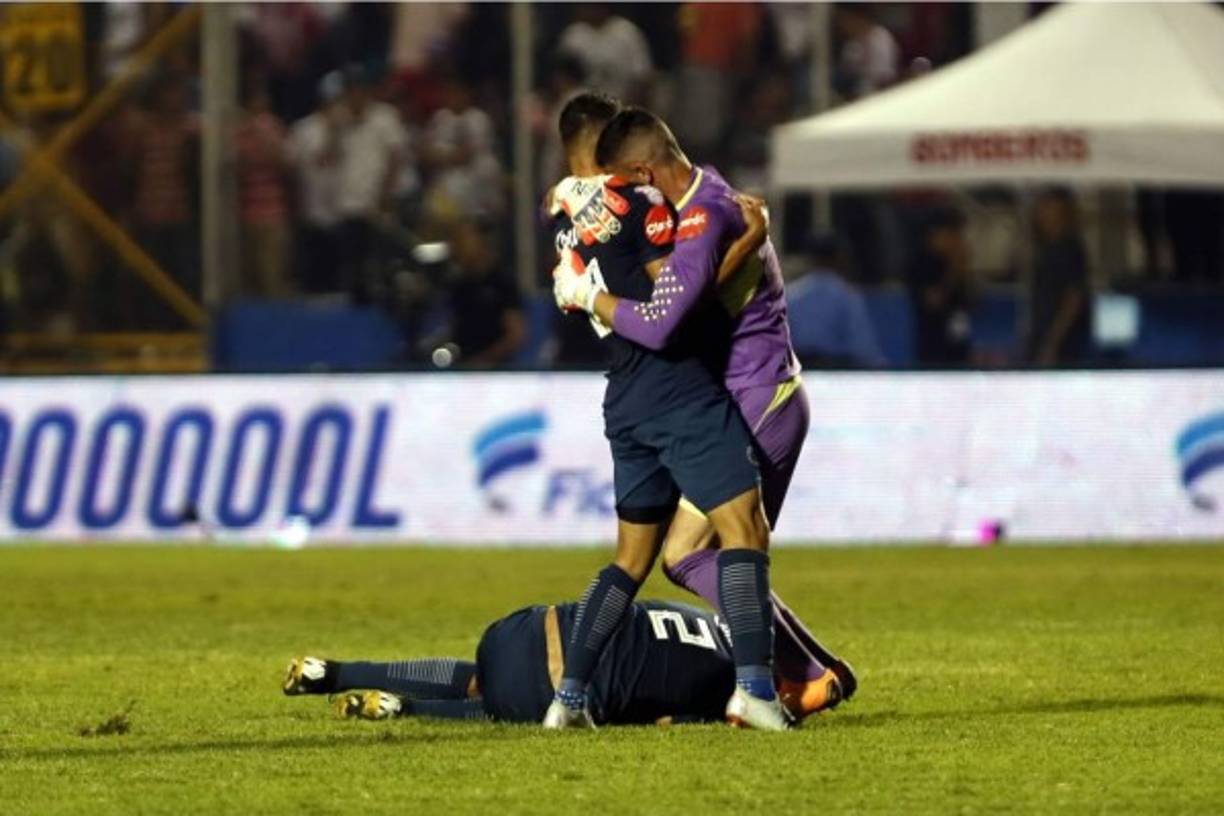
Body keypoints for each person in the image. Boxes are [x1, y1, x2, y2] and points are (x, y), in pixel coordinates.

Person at [556, 110, 843, 711]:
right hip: (742, 393)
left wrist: (587, 293)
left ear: (641, 170)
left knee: (699, 551)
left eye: (624, 183)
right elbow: (696, 297)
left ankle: (798, 677)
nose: (622, 197)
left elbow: (664, 320)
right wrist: (750, 238)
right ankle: (810, 672)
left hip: (761, 394)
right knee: (696, 553)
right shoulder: (700, 204)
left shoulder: (705, 213)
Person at [282, 598, 847, 726]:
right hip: (551, 685)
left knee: (479, 676)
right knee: (511, 708)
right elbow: (671, 720)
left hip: (522, 628)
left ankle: (331, 671)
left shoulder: (702, 612)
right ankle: (403, 708)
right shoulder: (731, 689)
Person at [787, 233, 887, 368]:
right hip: (836, 371)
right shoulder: (846, 296)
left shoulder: (791, 294)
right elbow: (862, 346)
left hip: (800, 372)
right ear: (838, 258)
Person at [234, 79, 292, 298]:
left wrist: (264, 136)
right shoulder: (239, 132)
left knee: (273, 275)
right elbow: (237, 171)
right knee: (251, 277)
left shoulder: (274, 127)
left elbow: (284, 164)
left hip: (274, 212)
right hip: (248, 213)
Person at [448, 219, 526, 368]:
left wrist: (485, 361)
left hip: (497, 370)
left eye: (464, 239)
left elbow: (516, 335)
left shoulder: (502, 282)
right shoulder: (459, 286)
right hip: (462, 369)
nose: (458, 246)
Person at [1027, 189, 1090, 367]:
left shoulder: (1069, 249)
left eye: (1047, 208)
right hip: (1042, 336)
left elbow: (1074, 298)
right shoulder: (1045, 249)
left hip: (1063, 343)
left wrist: (1052, 342)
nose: (1042, 214)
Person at [905, 207, 972, 367]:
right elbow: (933, 301)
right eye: (953, 235)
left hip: (958, 339)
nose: (958, 241)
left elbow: (971, 302)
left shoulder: (953, 263)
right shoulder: (922, 263)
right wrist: (954, 269)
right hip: (934, 348)